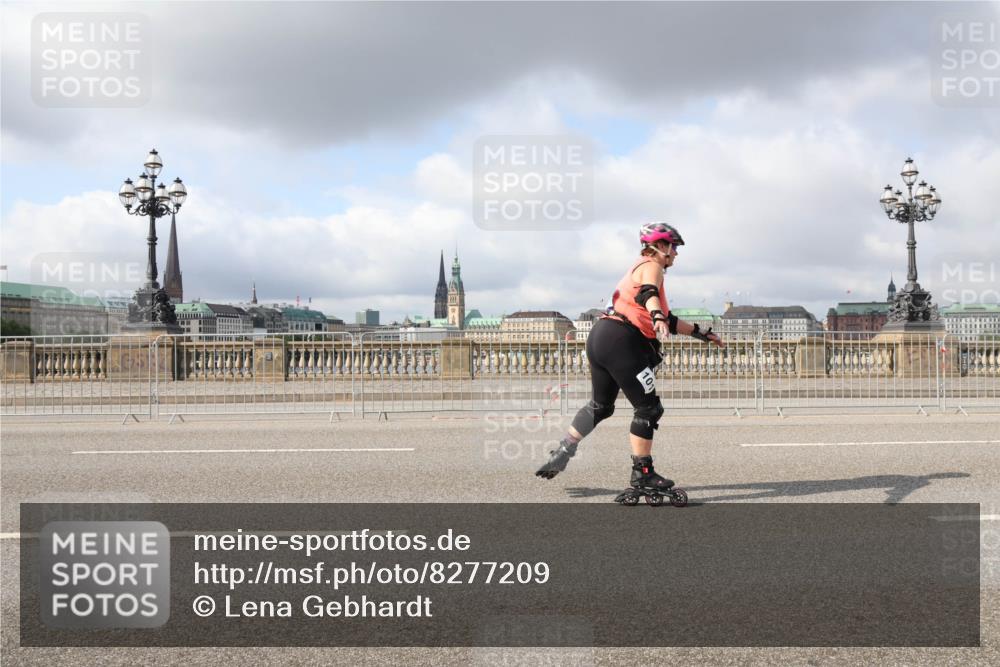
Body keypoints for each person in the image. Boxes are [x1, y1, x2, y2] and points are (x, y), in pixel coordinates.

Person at [535, 222, 725, 501]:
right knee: (648, 409)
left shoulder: (637, 267)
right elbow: (647, 294)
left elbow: (668, 318)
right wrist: (657, 317)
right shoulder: (652, 265)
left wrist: (702, 334)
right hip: (621, 341)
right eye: (673, 247)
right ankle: (643, 473)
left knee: (601, 406)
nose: (676, 254)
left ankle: (564, 450)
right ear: (660, 246)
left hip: (600, 337)